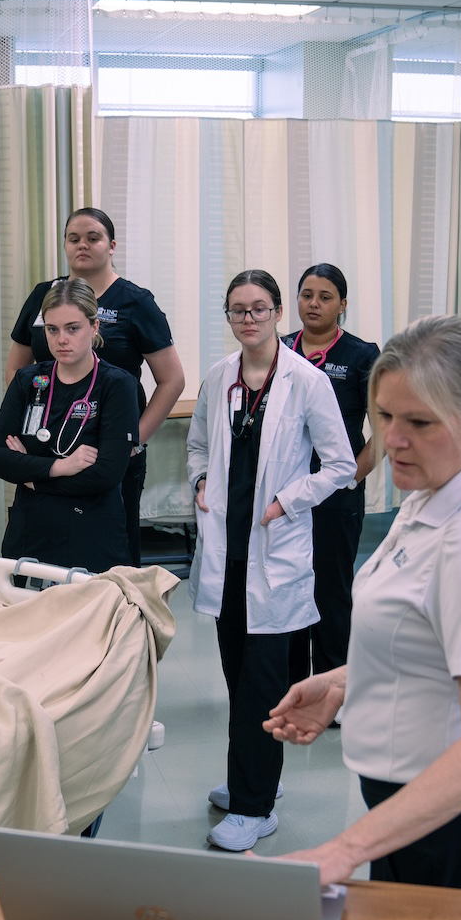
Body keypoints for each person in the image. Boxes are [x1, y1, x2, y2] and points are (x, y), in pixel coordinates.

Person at [264, 316, 461, 899]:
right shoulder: (441, 484)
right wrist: (350, 680)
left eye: (419, 423)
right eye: (383, 417)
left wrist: (343, 849)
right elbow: (440, 635)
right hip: (422, 812)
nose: (391, 440)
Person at [187, 269, 354, 852]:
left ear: (277, 313)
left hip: (275, 554)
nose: (248, 318)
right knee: (239, 677)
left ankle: (255, 807)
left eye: (259, 308)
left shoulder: (307, 382)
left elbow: (339, 465)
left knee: (263, 681)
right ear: (228, 316)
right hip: (227, 555)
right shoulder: (219, 377)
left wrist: (288, 500)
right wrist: (202, 478)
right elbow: (199, 445)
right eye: (238, 309)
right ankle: (252, 779)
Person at [6, 209, 185, 566]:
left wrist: (132, 440)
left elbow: (172, 379)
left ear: (112, 245)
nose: (82, 245)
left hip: (110, 452)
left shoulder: (135, 302)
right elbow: (16, 366)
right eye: (73, 238)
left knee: (111, 555)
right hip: (47, 448)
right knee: (42, 549)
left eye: (93, 237)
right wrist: (22, 431)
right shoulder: (45, 297)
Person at [0, 279, 141, 573]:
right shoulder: (28, 381)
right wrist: (60, 467)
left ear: (94, 327)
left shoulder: (117, 385)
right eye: (52, 329)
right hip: (31, 534)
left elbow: (107, 474)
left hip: (91, 536)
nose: (61, 339)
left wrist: (30, 475)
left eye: (73, 328)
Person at [283, 264, 380, 686]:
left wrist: (350, 479)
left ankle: (333, 688)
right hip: (285, 492)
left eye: (325, 297)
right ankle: (291, 684)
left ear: (342, 304)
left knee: (330, 591)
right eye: (307, 295)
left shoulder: (362, 355)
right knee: (287, 586)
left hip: (336, 492)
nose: (314, 304)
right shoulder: (280, 348)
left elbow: (385, 426)